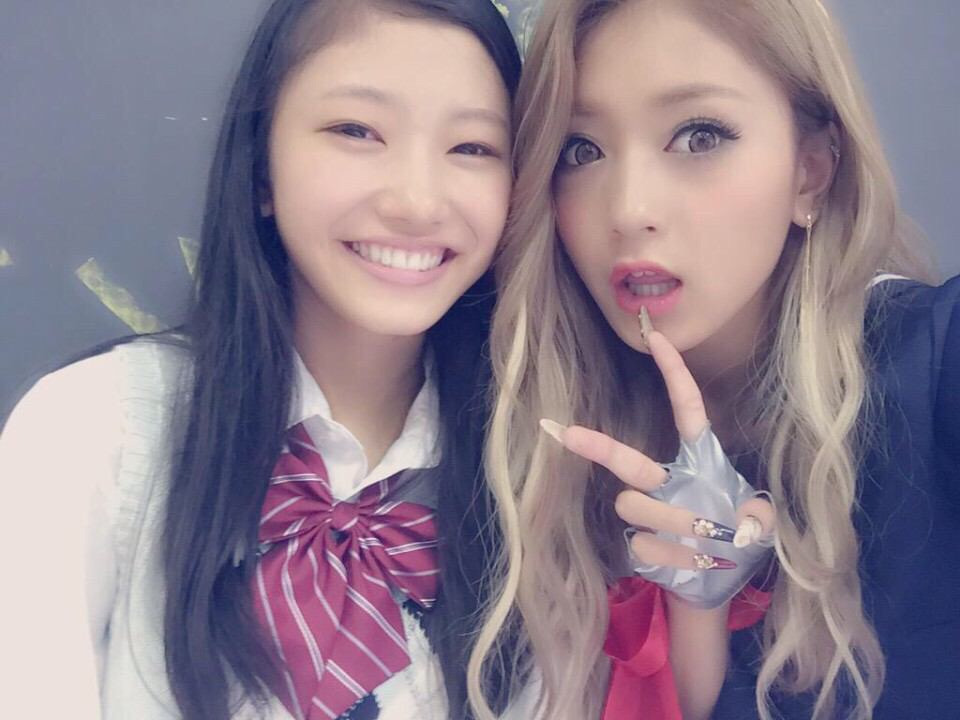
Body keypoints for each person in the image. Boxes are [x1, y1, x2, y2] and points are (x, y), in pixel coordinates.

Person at [0, 1, 530, 718]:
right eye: (356, 130)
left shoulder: (533, 478)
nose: (416, 201)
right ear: (260, 170)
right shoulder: (93, 431)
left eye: (471, 147)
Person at [473, 0, 960, 718]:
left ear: (810, 172)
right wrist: (698, 608)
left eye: (699, 135)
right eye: (580, 150)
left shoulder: (937, 361)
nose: (628, 209)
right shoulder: (545, 433)